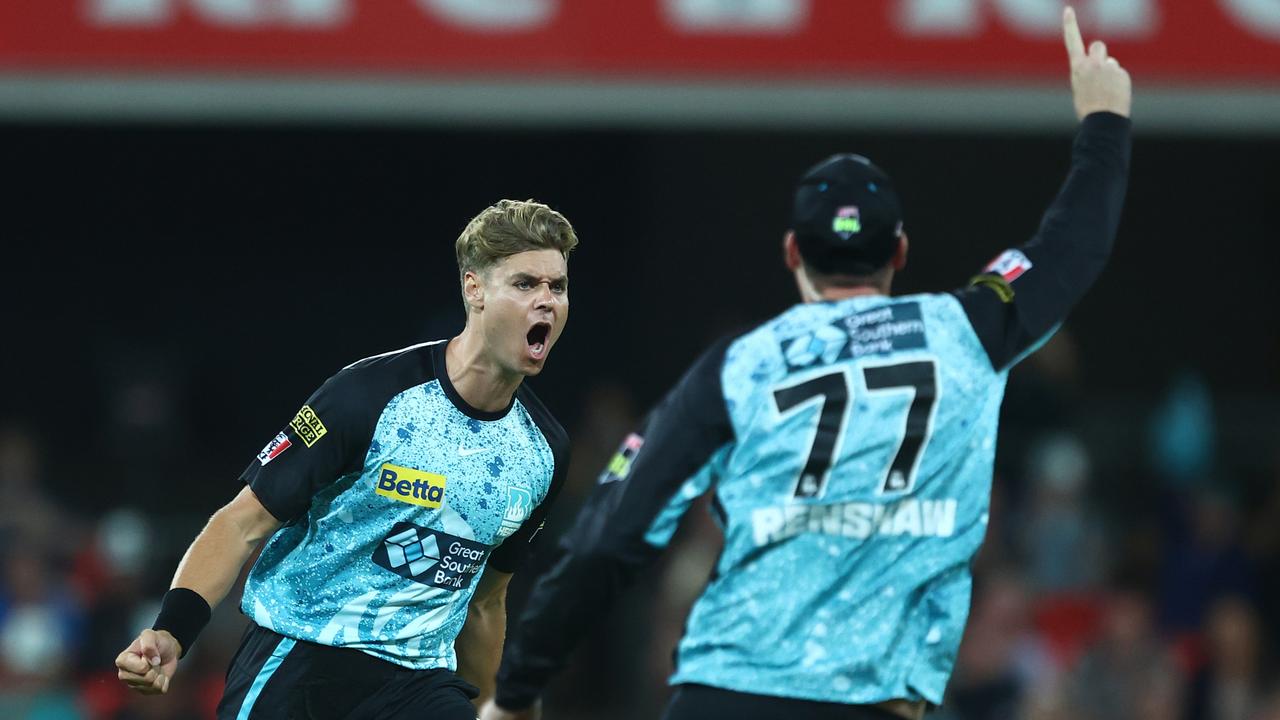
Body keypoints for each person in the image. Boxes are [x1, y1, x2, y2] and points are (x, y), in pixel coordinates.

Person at [482, 8, 1131, 720]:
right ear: (900, 254)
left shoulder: (741, 365)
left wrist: (518, 688)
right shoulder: (968, 329)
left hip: (722, 701)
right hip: (870, 703)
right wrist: (1103, 122)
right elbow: (1071, 249)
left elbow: (607, 539)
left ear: (793, 253)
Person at [115, 199, 578, 720]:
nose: (546, 302)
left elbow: (487, 601)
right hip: (303, 663)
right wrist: (171, 632)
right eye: (525, 284)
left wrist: (498, 707)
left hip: (420, 686)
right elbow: (242, 523)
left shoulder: (543, 452)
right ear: (474, 289)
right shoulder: (368, 396)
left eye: (556, 287)